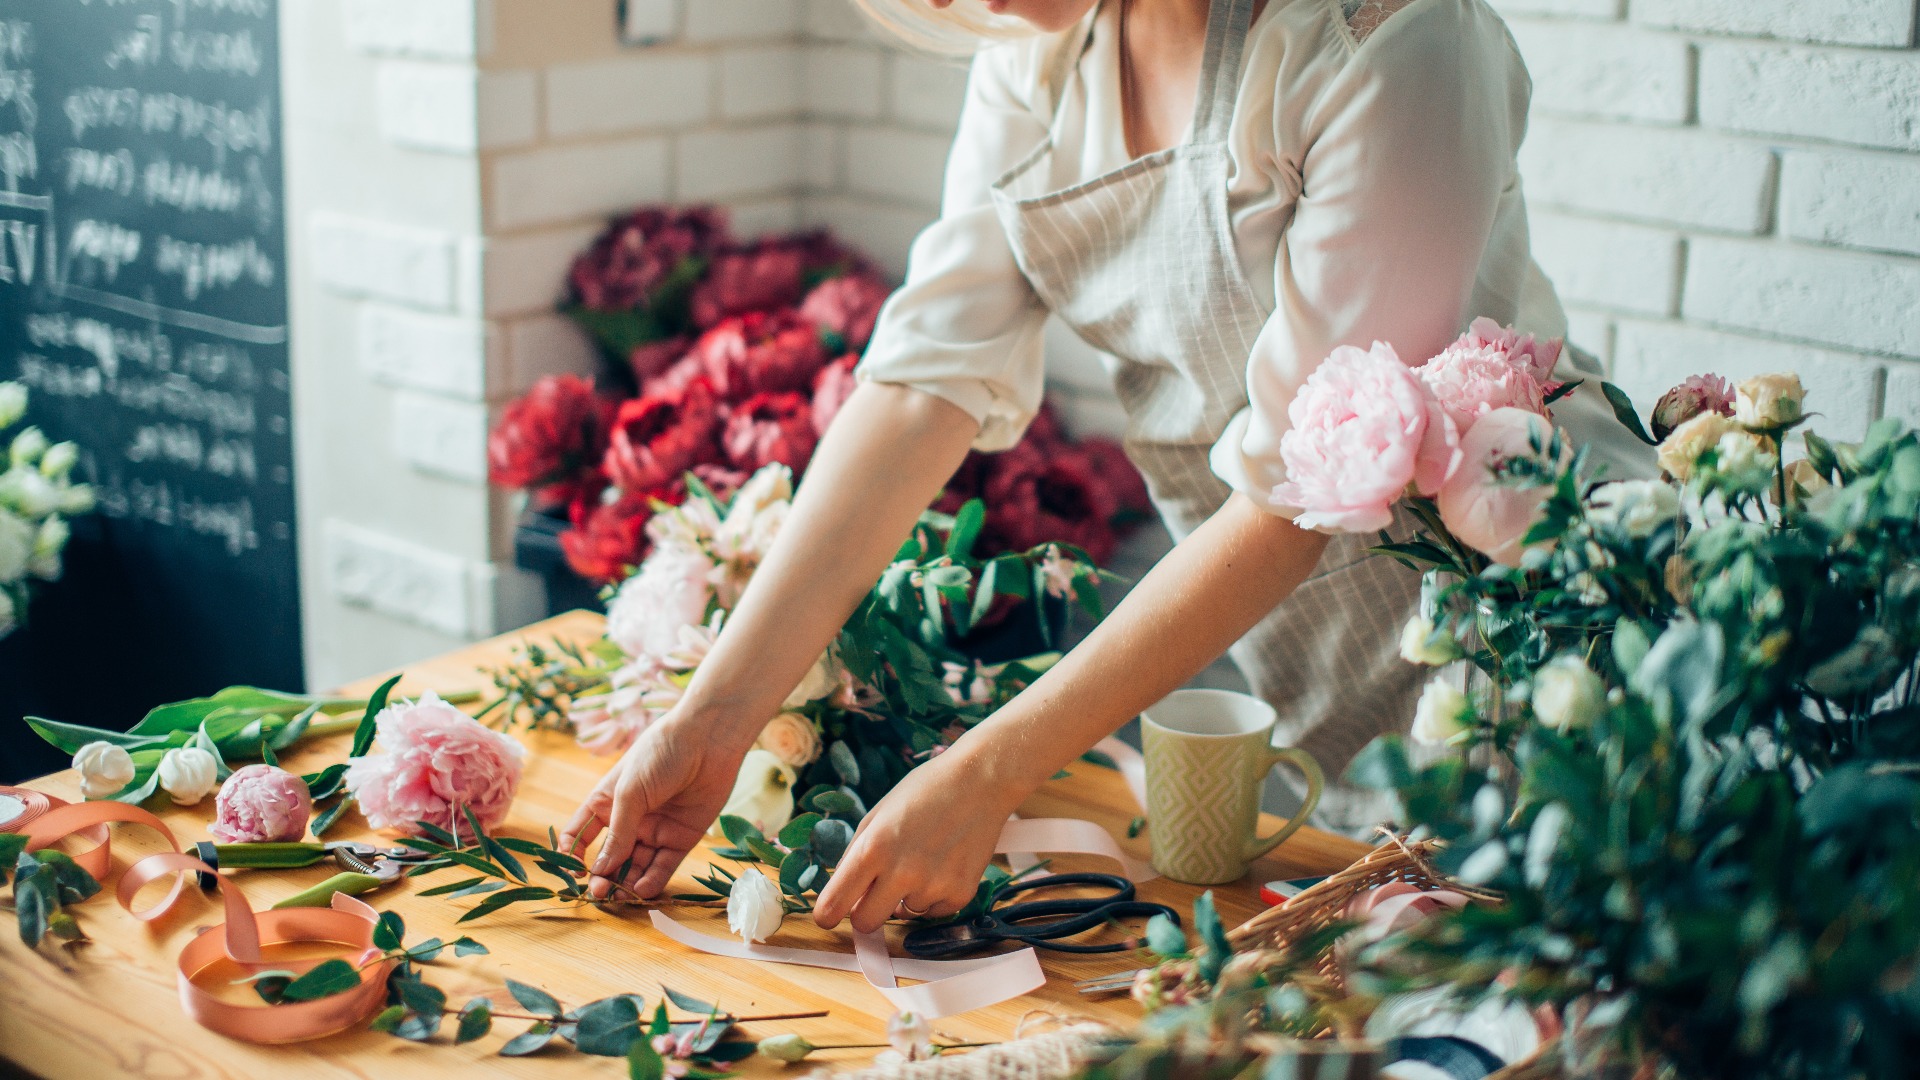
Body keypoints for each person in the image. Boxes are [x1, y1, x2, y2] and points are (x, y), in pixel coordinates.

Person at [559, 0, 1648, 934]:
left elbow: (1294, 495)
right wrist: (711, 721)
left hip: (1537, 628)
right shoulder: (1041, 53)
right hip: (1314, 658)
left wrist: (988, 771)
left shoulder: (1391, 38)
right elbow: (921, 385)